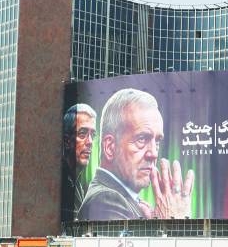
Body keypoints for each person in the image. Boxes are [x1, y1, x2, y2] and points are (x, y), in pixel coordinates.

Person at [77, 88, 194, 221]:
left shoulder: (124, 199)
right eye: (142, 139)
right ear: (109, 147)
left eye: (157, 141)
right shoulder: (105, 199)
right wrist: (174, 221)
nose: (154, 154)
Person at [64, 103, 97, 219]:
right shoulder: (58, 185)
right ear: (67, 141)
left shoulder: (77, 184)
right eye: (83, 134)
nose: (90, 142)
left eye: (93, 135)